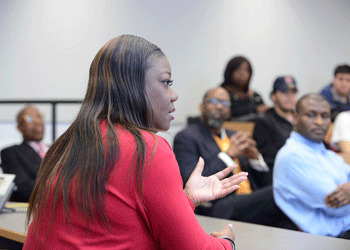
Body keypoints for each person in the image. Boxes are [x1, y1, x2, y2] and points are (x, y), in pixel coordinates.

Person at [24, 35, 248, 249]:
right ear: (132, 86)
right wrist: (227, 242)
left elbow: (118, 220)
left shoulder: (67, 143)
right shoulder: (148, 149)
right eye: (166, 82)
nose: (174, 94)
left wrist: (185, 199)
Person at [173, 87, 297, 229]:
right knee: (281, 190)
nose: (219, 106)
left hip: (250, 200)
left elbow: (264, 183)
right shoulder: (187, 137)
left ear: (230, 111)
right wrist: (228, 155)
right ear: (201, 106)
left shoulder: (235, 135)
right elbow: (190, 181)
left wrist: (256, 159)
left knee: (287, 222)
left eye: (225, 104)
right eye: (214, 101)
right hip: (220, 205)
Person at [273, 94, 350, 239]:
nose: (319, 122)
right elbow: (338, 207)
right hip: (330, 240)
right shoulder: (292, 155)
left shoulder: (328, 155)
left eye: (325, 116)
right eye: (311, 115)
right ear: (295, 118)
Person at [252, 76, 298, 187]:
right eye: (284, 92)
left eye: (293, 92)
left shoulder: (301, 119)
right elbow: (268, 160)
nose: (289, 97)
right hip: (280, 177)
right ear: (273, 97)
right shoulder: (264, 122)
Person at [0, 105, 48, 202]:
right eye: (29, 118)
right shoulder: (10, 153)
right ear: (19, 127)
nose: (37, 121)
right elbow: (25, 189)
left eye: (39, 117)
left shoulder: (58, 150)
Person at [220, 56, 269, 121]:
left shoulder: (254, 96)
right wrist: (255, 109)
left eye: (246, 70)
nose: (242, 74)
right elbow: (225, 113)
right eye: (238, 70)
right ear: (230, 71)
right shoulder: (221, 93)